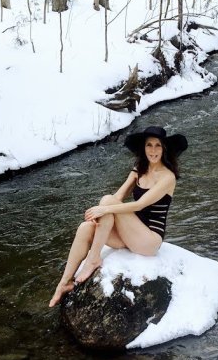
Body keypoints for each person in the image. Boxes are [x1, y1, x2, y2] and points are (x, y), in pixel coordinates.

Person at [48, 126, 188, 307]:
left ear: (164, 149)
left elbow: (140, 204)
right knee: (85, 228)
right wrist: (103, 211)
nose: (153, 150)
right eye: (149, 145)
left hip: (149, 240)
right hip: (131, 235)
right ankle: (64, 283)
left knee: (107, 203)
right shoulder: (139, 168)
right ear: (143, 148)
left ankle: (93, 259)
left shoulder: (167, 177)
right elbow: (118, 197)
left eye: (158, 146)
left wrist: (104, 209)